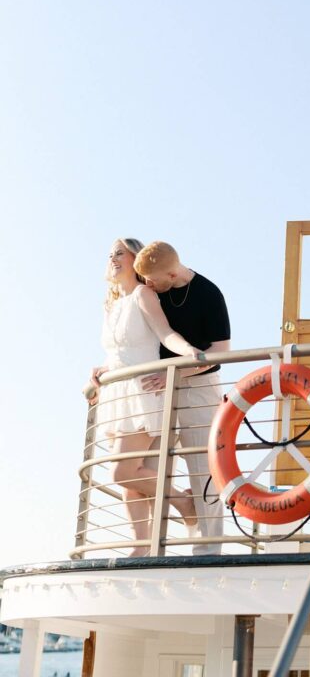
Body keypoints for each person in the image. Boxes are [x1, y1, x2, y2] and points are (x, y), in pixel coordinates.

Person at [90, 238, 206, 556]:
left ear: (135, 259)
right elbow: (117, 352)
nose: (113, 259)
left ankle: (184, 502)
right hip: (118, 394)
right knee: (132, 479)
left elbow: (164, 333)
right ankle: (142, 546)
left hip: (144, 391)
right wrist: (101, 369)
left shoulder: (144, 294)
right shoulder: (111, 304)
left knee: (121, 472)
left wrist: (189, 352)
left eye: (119, 254)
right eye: (109, 254)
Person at [134, 241, 230, 556]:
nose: (147, 286)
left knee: (203, 467)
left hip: (199, 386)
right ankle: (151, 547)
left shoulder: (209, 294)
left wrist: (176, 374)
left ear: (173, 273)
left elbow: (220, 352)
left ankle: (208, 551)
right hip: (156, 388)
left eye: (153, 280)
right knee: (149, 465)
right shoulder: (152, 287)